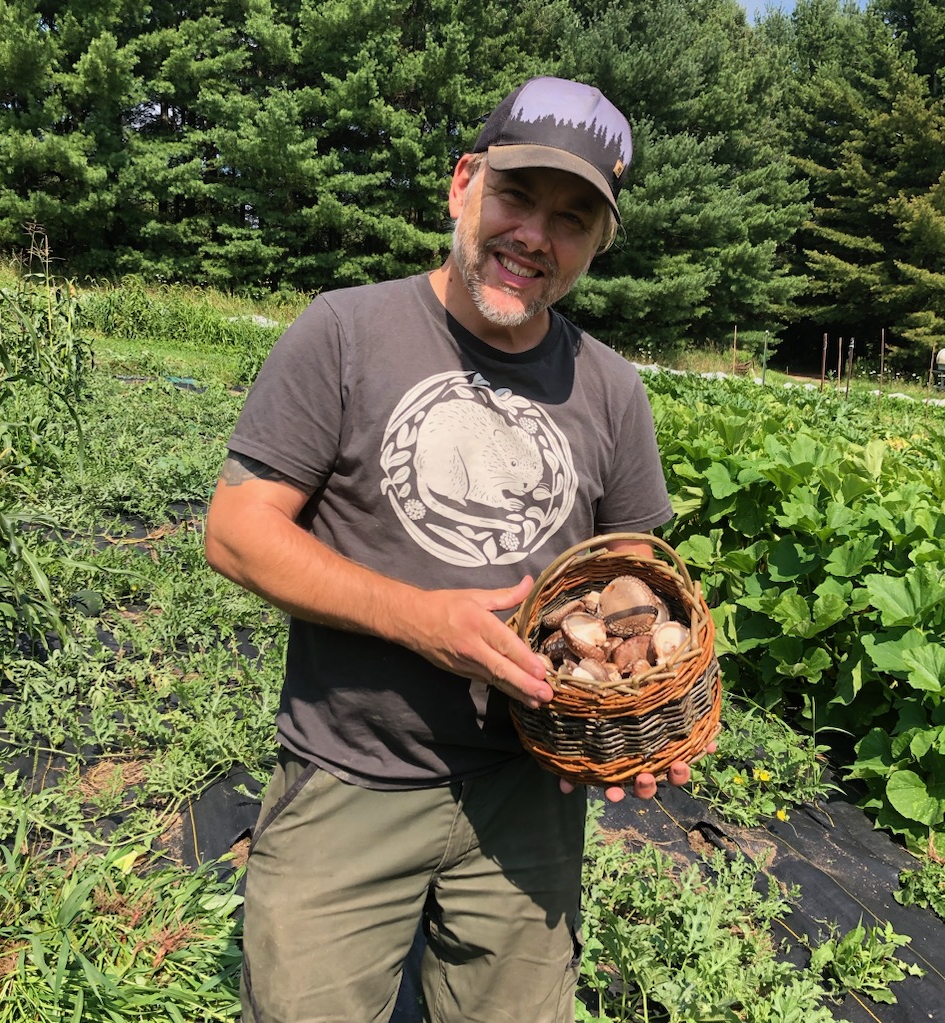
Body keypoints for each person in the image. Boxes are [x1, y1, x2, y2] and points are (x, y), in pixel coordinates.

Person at [205, 76, 712, 1023]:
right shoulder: (346, 332)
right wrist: (418, 620)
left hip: (528, 789)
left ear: (597, 245)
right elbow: (237, 531)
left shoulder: (611, 389)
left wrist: (650, 712)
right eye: (517, 196)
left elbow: (637, 589)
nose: (534, 236)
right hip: (351, 771)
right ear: (463, 184)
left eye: (571, 219)